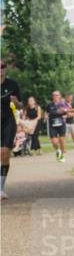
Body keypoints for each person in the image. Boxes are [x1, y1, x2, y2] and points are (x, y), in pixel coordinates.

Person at [1, 61, 21, 199]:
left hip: (8, 121)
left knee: (5, 153)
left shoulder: (12, 84)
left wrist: (15, 102)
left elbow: (20, 105)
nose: (0, 69)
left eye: (2, 66)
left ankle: (0, 188)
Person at [46, 90, 70, 162]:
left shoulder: (63, 104)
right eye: (54, 95)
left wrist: (65, 114)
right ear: (52, 97)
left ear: (60, 96)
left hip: (61, 125)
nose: (55, 96)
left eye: (57, 95)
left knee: (62, 141)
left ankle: (61, 156)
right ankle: (58, 150)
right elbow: (46, 112)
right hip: (52, 125)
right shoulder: (49, 105)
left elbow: (68, 113)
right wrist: (46, 116)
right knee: (54, 142)